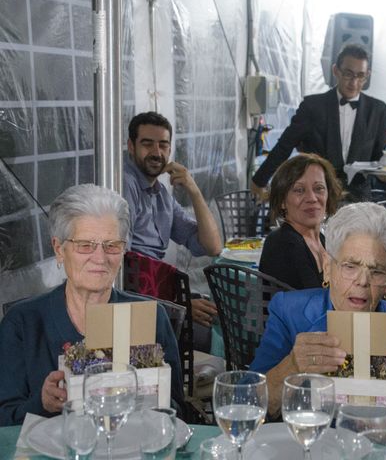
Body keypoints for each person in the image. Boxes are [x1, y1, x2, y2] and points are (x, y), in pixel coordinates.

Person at [250, 203, 386, 460]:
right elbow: (246, 404)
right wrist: (292, 366)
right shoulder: (289, 313)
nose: (362, 281)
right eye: (350, 266)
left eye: (376, 271)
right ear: (328, 268)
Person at [0, 184, 183, 426]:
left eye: (112, 245)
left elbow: (178, 412)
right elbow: (4, 419)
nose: (100, 258)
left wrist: (150, 392)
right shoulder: (23, 322)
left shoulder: (150, 318)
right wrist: (41, 404)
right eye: (85, 245)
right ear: (59, 248)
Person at [124, 111, 222, 328]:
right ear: (131, 146)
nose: (157, 152)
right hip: (139, 307)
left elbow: (212, 246)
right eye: (147, 144)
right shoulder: (125, 184)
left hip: (161, 294)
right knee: (219, 327)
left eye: (163, 145)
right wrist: (178, 304)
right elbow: (122, 266)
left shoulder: (160, 194)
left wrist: (194, 190)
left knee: (222, 315)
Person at [250, 44, 386, 200]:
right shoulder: (313, 106)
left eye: (360, 76)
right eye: (348, 74)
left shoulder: (378, 110)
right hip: (318, 197)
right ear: (336, 70)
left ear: (367, 75)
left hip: (359, 201)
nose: (354, 82)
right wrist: (259, 181)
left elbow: (379, 158)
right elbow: (285, 145)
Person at [258, 153, 342, 289]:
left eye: (319, 188)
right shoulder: (283, 244)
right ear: (282, 201)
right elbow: (312, 305)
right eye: (299, 190)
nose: (312, 198)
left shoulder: (321, 239)